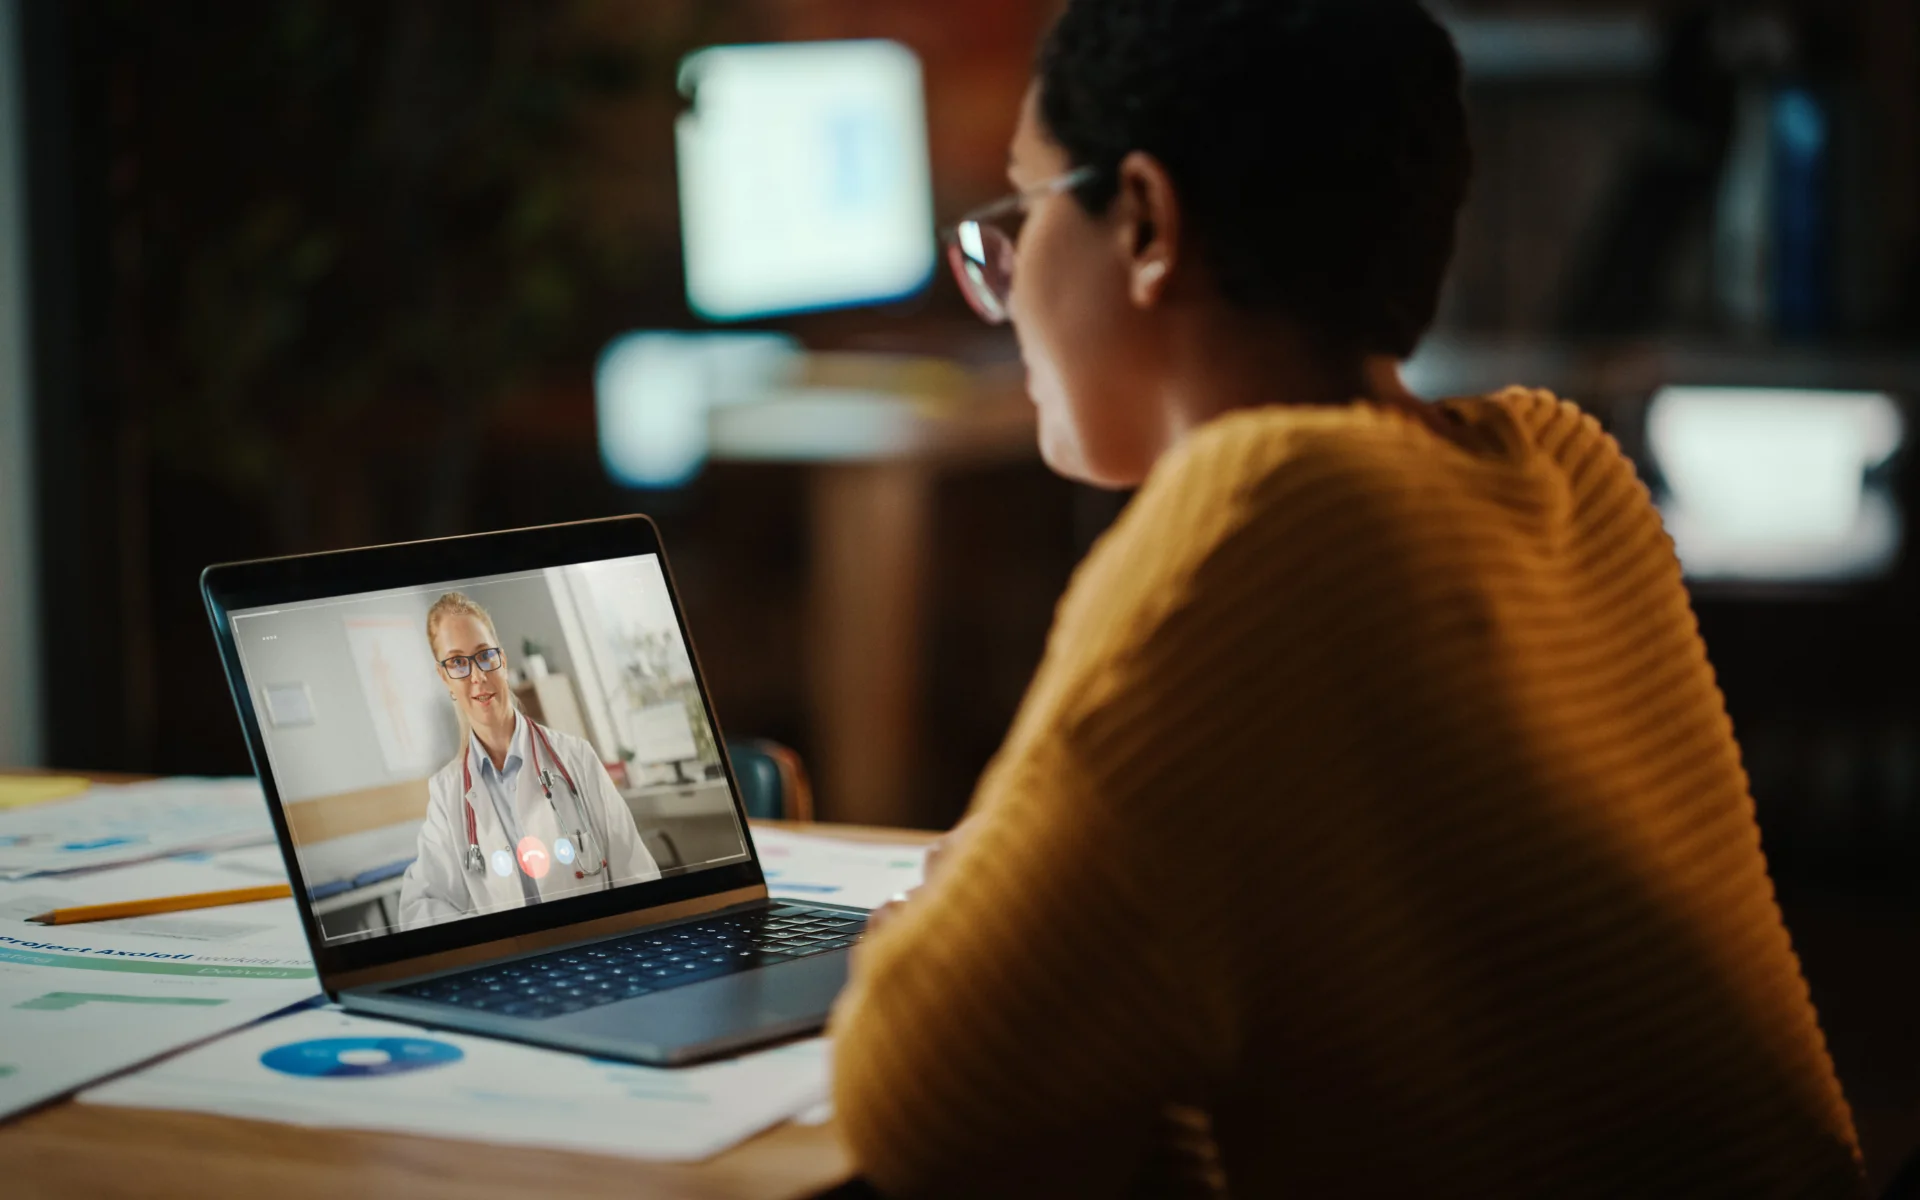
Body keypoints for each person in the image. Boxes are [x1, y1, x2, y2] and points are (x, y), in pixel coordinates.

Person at [828, 1, 1866, 1196]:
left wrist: (938, 928)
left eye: (1019, 216)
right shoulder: (1559, 467)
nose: (1002, 287)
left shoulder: (1258, 512)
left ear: (1148, 225)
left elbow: (922, 1106)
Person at [398, 592, 658, 930]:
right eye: (458, 662)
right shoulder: (447, 794)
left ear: (502, 661)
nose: (476, 676)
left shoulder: (575, 757)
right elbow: (418, 907)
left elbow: (637, 875)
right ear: (444, 678)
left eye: (483, 656)